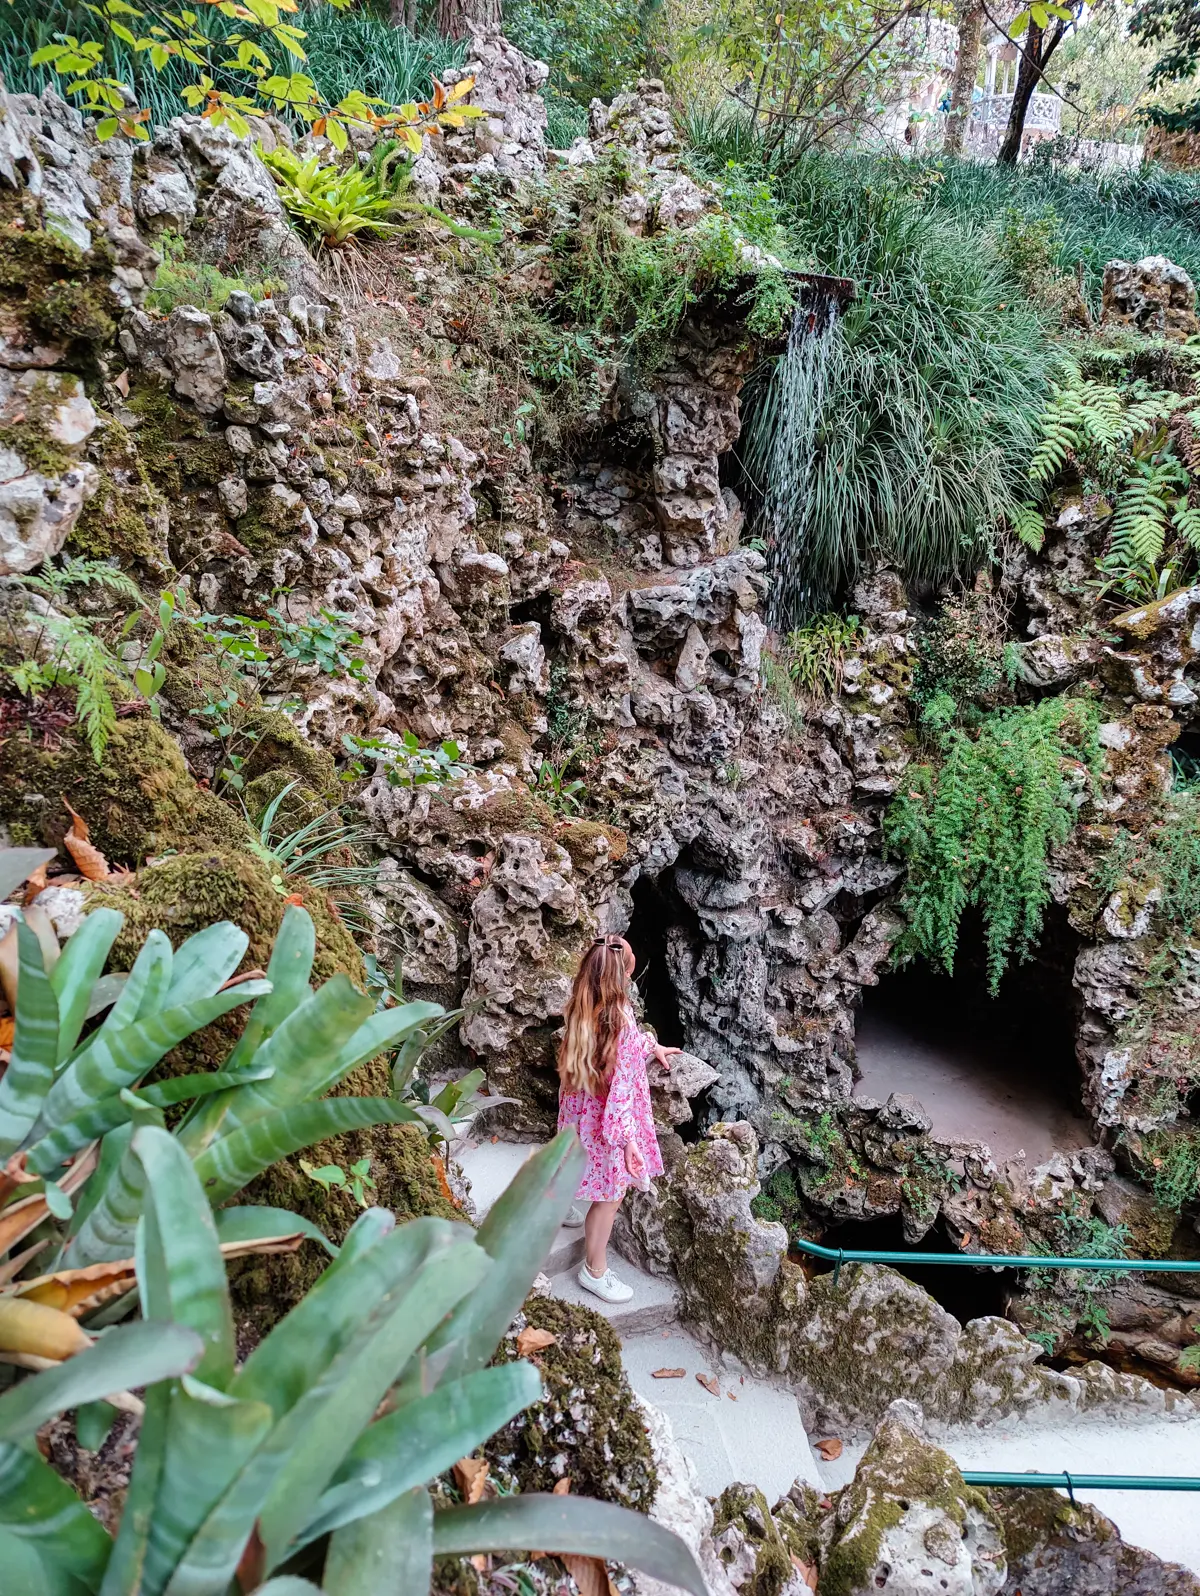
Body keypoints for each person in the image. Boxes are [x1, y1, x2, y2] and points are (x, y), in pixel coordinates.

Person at [556, 933, 679, 1304]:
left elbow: (616, 1050)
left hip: (579, 1109)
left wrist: (650, 1044)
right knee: (610, 1195)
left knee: (575, 1162)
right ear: (622, 975)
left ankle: (560, 1205)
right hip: (605, 1120)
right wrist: (627, 1143)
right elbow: (621, 1091)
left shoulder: (582, 1005)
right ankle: (594, 1270)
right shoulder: (620, 1021)